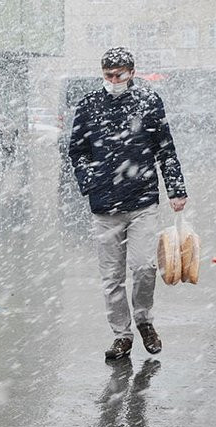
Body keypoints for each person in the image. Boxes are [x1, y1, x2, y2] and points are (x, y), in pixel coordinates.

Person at [68, 47, 188, 361]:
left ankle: (144, 320)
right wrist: (90, 179)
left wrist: (176, 189)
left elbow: (165, 148)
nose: (113, 80)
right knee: (111, 277)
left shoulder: (149, 102)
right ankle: (121, 335)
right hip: (104, 205)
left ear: (132, 73)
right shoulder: (89, 105)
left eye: (119, 74)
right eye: (108, 75)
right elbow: (76, 151)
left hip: (142, 200)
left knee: (145, 267)